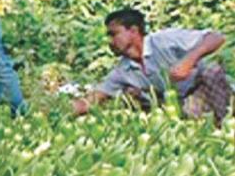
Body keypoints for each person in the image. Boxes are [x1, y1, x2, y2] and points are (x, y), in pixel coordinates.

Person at [73, 8, 231, 124]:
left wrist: (188, 61)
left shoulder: (164, 40)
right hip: (181, 104)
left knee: (211, 70)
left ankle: (226, 122)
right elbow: (94, 98)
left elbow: (216, 38)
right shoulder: (123, 70)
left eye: (114, 34)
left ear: (133, 31)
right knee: (132, 95)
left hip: (209, 91)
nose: (110, 41)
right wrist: (65, 111)